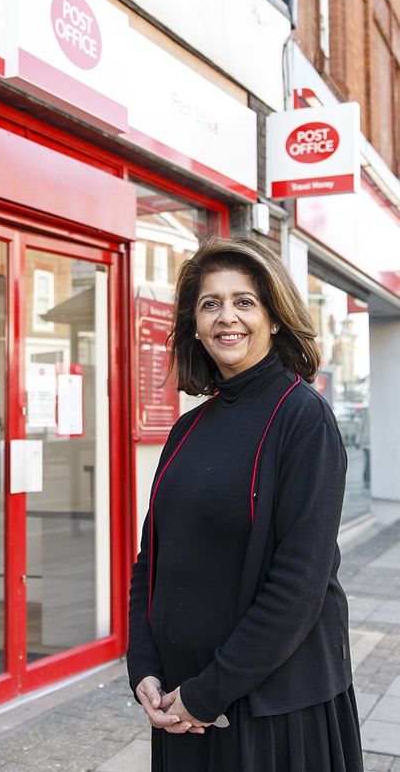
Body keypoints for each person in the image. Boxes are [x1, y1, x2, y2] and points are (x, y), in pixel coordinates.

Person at [127, 236, 363, 772]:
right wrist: (143, 666)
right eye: (210, 304)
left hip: (270, 708)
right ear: (193, 323)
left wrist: (207, 693)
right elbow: (152, 559)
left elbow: (298, 584)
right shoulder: (188, 428)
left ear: (274, 318)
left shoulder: (303, 419)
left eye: (244, 301)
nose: (226, 317)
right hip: (180, 702)